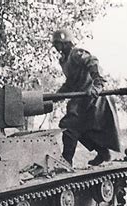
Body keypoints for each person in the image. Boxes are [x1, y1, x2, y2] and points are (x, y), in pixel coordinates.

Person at [52, 29, 121, 166]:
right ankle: (103, 152)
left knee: (69, 126)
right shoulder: (64, 60)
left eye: (58, 44)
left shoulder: (76, 54)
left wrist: (98, 82)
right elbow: (71, 82)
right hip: (80, 99)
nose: (55, 47)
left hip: (92, 98)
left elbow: (92, 61)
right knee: (79, 129)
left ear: (65, 43)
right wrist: (56, 96)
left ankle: (66, 162)